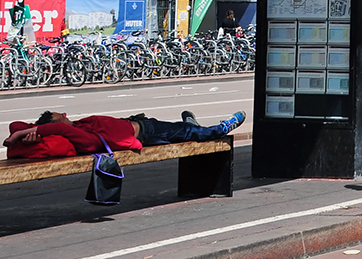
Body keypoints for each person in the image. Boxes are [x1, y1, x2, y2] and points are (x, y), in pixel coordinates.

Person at [5, 109, 245, 159]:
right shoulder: (77, 137)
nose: (66, 115)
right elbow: (57, 128)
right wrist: (23, 135)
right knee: (185, 132)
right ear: (55, 124)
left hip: (139, 126)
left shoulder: (74, 129)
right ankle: (219, 129)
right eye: (61, 116)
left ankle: (194, 126)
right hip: (143, 132)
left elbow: (16, 124)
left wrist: (27, 132)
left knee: (183, 132)